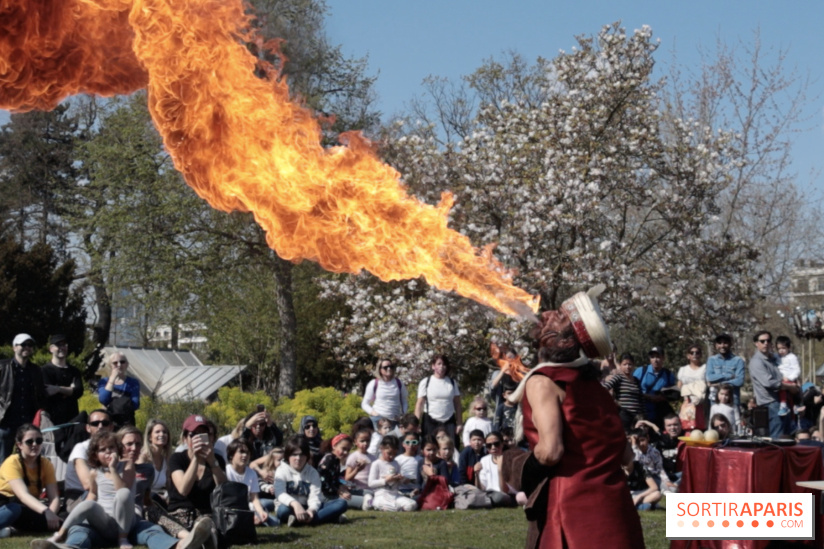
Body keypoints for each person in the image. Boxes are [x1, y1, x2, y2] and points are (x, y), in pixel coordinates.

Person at [504, 286, 644, 548]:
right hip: (616, 509)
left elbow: (550, 452)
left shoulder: (543, 382)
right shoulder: (597, 387)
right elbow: (625, 454)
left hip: (573, 510)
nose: (547, 313)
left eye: (557, 317)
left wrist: (514, 467)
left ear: (565, 341)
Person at [49, 431, 135, 549]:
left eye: (111, 447)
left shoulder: (127, 465)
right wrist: (86, 512)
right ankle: (60, 535)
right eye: (102, 449)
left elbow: (124, 490)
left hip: (126, 522)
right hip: (105, 523)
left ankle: (123, 538)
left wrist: (113, 469)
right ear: (95, 455)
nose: (108, 451)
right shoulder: (95, 472)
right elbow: (92, 495)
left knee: (123, 493)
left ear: (118, 449)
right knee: (88, 503)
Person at [165, 415, 226, 536]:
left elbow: (223, 488)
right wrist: (196, 459)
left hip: (205, 515)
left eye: (203, 435)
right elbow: (183, 489)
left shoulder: (216, 460)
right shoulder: (177, 459)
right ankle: (192, 537)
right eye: (194, 435)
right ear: (185, 438)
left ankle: (203, 537)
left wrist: (212, 462)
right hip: (180, 514)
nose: (199, 439)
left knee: (207, 526)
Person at [0, 424, 60, 538]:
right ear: (19, 445)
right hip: (6, 506)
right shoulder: (12, 462)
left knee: (61, 522)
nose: (35, 445)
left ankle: (9, 529)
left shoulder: (45, 464)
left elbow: (54, 497)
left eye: (38, 440)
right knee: (14, 509)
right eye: (29, 442)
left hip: (27, 509)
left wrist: (51, 515)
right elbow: (23, 495)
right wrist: (46, 512)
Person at [274, 435, 348, 526]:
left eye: (302, 455)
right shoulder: (281, 470)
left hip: (308, 506)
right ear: (288, 456)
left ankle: (303, 519)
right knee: (282, 510)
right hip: (290, 507)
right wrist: (295, 504)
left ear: (307, 456)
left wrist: (311, 510)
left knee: (342, 503)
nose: (298, 458)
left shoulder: (313, 472)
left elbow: (315, 496)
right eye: (294, 454)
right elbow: (280, 493)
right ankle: (325, 518)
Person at [0, 334, 46, 461]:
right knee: (3, 460)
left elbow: (40, 394)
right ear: (14, 347)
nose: (27, 347)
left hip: (27, 423)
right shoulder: (2, 367)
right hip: (5, 422)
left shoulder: (36, 370)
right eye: (23, 344)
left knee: (27, 459)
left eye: (30, 345)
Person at [748, 331, 798, 438]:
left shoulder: (775, 359)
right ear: (756, 343)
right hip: (771, 404)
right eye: (762, 341)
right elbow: (769, 383)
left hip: (784, 402)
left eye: (768, 340)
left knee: (788, 438)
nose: (766, 343)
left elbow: (788, 373)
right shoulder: (756, 362)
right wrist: (790, 387)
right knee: (777, 439)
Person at [64, 409, 115, 511]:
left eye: (105, 423)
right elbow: (87, 484)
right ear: (88, 428)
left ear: (111, 427)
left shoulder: (116, 448)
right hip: (79, 496)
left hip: (106, 493)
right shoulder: (81, 448)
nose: (100, 426)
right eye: (95, 424)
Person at [224, 438, 276, 526]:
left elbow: (254, 498)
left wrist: (261, 512)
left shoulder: (251, 473)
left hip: (248, 507)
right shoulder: (226, 471)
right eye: (241, 452)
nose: (245, 455)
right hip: (231, 510)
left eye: (247, 453)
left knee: (274, 522)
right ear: (232, 455)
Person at [415, 355, 462, 443]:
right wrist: (416, 423)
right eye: (439, 364)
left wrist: (459, 423)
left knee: (451, 446)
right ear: (433, 366)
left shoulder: (452, 382)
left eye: (444, 364)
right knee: (429, 446)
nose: (441, 366)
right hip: (430, 420)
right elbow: (419, 404)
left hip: (449, 420)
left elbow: (458, 404)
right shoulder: (426, 382)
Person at [41, 334, 84, 427]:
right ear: (51, 349)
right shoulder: (44, 370)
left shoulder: (74, 371)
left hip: (72, 419)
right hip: (52, 421)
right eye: (58, 345)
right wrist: (70, 390)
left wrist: (58, 389)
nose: (62, 348)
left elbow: (79, 392)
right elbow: (48, 393)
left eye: (64, 345)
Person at [368, 435, 417, 512]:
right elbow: (371, 483)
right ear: (381, 448)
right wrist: (385, 480)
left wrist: (401, 479)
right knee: (392, 507)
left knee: (412, 504)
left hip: (395, 494)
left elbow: (398, 482)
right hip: (381, 495)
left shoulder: (396, 463)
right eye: (389, 453)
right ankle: (372, 502)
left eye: (394, 454)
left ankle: (396, 507)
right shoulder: (376, 464)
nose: (391, 456)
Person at [633, 346, 677, 428]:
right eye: (652, 357)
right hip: (642, 411)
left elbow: (673, 393)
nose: (655, 360)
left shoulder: (668, 374)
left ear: (663, 358)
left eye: (658, 357)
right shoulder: (641, 371)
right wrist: (647, 396)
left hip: (659, 412)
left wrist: (662, 398)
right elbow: (632, 389)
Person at [601, 352, 644, 431]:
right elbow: (603, 388)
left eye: (630, 364)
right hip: (624, 415)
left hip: (637, 416)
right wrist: (612, 401)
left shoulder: (636, 381)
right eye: (625, 364)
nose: (627, 367)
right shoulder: (618, 378)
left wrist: (642, 415)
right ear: (620, 365)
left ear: (633, 365)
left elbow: (640, 399)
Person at [361, 359, 408, 428]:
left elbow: (404, 401)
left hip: (395, 421)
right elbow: (364, 403)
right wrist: (374, 413)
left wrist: (403, 414)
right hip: (378, 422)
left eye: (391, 367)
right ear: (380, 369)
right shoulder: (374, 383)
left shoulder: (399, 383)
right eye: (385, 367)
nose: (389, 369)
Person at [98, 353, 141, 429]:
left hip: (126, 421)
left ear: (127, 364)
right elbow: (103, 400)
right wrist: (112, 379)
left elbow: (135, 404)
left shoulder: (133, 382)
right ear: (110, 365)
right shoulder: (104, 381)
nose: (119, 365)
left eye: (122, 362)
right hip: (109, 420)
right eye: (115, 363)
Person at [706, 333, 745, 409]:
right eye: (720, 343)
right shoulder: (711, 360)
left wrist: (719, 383)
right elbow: (710, 377)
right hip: (715, 399)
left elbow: (739, 381)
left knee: (734, 420)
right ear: (716, 345)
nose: (722, 346)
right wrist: (729, 376)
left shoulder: (738, 360)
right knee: (716, 420)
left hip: (733, 398)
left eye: (725, 343)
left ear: (730, 344)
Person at [137, 419, 172, 504]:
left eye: (164, 432)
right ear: (149, 437)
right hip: (145, 501)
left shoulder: (166, 460)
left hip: (162, 501)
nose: (162, 434)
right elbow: (138, 485)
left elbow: (169, 486)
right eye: (157, 432)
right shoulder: (143, 458)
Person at [475, 431, 513, 507]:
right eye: (489, 445)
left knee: (499, 497)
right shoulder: (484, 460)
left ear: (502, 444)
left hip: (505, 495)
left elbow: (504, 491)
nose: (493, 447)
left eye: (496, 444)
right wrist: (476, 474)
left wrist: (500, 469)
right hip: (489, 494)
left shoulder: (510, 459)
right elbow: (481, 489)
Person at [677, 343, 707, 430]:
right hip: (687, 403)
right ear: (688, 356)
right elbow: (679, 386)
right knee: (686, 427)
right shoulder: (683, 370)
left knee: (700, 427)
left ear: (700, 355)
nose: (694, 354)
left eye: (697, 352)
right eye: (692, 352)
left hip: (701, 404)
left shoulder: (705, 368)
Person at [343, 428, 374, 510]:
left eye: (368, 441)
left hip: (371, 488)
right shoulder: (353, 457)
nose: (365, 443)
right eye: (362, 441)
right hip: (358, 489)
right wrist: (357, 469)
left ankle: (370, 503)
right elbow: (347, 478)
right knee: (370, 494)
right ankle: (369, 504)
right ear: (355, 441)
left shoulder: (373, 458)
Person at [317, 434, 352, 503]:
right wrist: (338, 491)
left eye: (348, 450)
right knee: (362, 500)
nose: (346, 452)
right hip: (326, 496)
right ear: (334, 446)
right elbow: (323, 483)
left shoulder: (336, 460)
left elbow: (335, 479)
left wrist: (342, 485)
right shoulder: (329, 460)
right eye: (343, 449)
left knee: (367, 492)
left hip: (334, 492)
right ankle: (372, 503)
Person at [776, 336, 801, 417]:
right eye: (779, 349)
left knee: (783, 387)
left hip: (789, 378)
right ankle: (790, 406)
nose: (781, 351)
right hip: (781, 378)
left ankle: (783, 405)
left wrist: (790, 377)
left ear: (788, 347)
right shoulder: (777, 357)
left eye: (783, 348)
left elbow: (796, 369)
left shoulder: (792, 357)